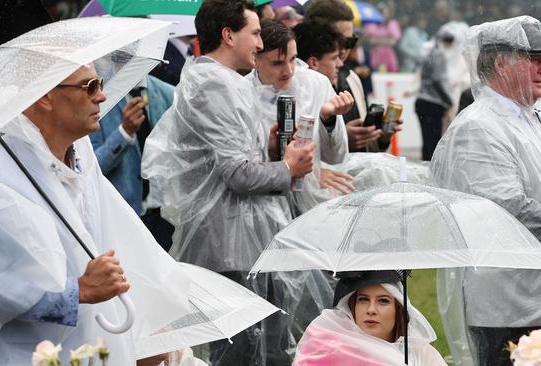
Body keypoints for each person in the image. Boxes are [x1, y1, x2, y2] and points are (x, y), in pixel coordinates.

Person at [429, 16, 541, 365]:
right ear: (500, 62)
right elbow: (507, 208)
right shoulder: (478, 127)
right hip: (511, 306)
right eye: (533, 58)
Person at [141, 1, 315, 364]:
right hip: (228, 244)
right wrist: (288, 168)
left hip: (236, 240)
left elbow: (227, 160)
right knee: (240, 355)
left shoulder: (219, 81)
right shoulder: (213, 85)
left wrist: (266, 149)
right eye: (254, 33)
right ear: (228, 35)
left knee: (256, 350)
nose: (259, 43)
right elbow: (236, 175)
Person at [0, 63, 198, 366]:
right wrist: (76, 292)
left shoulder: (81, 153)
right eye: (89, 87)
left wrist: (147, 330)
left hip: (100, 344)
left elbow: (124, 239)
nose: (102, 97)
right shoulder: (6, 172)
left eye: (100, 83)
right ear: (45, 96)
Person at [248, 19, 354, 212]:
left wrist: (328, 120)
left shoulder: (316, 84)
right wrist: (270, 153)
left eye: (292, 59)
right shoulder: (242, 93)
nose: (288, 70)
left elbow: (337, 156)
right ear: (255, 59)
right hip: (265, 206)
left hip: (314, 206)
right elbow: (238, 170)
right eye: (277, 63)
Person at [89, 75, 175, 250]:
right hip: (123, 220)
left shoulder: (169, 93)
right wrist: (125, 132)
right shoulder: (100, 100)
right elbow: (92, 167)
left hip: (164, 216)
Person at [293, 271, 446, 366]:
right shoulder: (326, 346)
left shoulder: (421, 354)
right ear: (352, 306)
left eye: (383, 301)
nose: (371, 310)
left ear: (398, 309)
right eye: (363, 300)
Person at [307, 0, 396, 153]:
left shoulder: (352, 78)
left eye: (349, 41)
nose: (343, 49)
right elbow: (291, 149)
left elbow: (367, 151)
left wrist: (381, 136)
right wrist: (340, 138)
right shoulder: (298, 81)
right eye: (336, 41)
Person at [411, 30, 454, 161]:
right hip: (433, 103)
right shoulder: (439, 54)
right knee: (434, 141)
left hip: (422, 101)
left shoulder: (428, 53)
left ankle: (425, 169)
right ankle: (431, 171)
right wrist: (448, 100)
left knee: (426, 140)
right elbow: (437, 80)